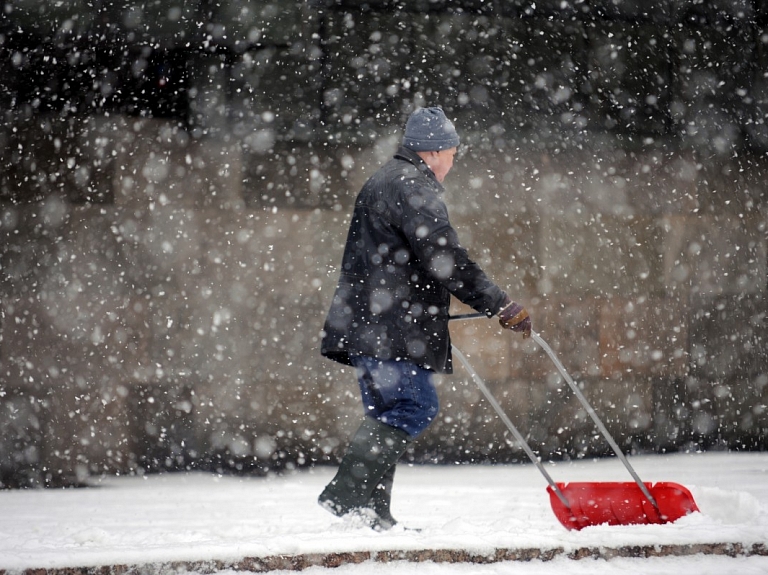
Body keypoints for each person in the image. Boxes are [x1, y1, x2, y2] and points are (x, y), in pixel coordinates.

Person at [318, 106, 532, 530]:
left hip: (367, 325)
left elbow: (395, 262)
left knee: (384, 415)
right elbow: (445, 258)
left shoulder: (381, 181)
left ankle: (371, 516)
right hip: (393, 330)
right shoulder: (413, 185)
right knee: (415, 405)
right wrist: (498, 303)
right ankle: (346, 497)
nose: (452, 163)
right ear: (434, 151)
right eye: (452, 153)